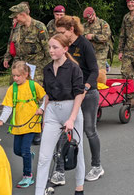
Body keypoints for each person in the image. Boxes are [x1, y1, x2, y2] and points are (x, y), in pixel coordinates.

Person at [35, 34, 85, 195]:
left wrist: (72, 118)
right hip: (52, 112)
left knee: (78, 150)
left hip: (71, 109)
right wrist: (44, 115)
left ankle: (79, 189)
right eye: (49, 47)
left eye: (55, 47)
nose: (51, 50)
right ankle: (39, 191)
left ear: (65, 49)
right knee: (44, 156)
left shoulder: (73, 68)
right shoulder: (47, 69)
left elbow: (79, 94)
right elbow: (47, 95)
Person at [54, 15, 102, 183]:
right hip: (70, 95)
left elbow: (95, 71)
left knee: (89, 130)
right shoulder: (62, 46)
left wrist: (86, 87)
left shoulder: (84, 45)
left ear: (71, 30)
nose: (59, 35)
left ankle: (97, 166)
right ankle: (59, 171)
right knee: (64, 131)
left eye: (62, 32)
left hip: (88, 93)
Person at [0, 61, 45, 188]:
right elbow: (7, 107)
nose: (15, 78)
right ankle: (29, 156)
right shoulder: (12, 89)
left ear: (26, 74)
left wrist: (42, 109)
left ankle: (28, 176)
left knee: (24, 150)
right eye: (14, 76)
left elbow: (46, 98)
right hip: (18, 125)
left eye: (18, 76)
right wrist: (1, 120)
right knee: (18, 150)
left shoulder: (33, 85)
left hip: (32, 124)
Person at [3, 3, 50, 85]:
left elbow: (47, 49)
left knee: (33, 90)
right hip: (19, 64)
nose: (16, 20)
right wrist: (7, 57)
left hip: (36, 66)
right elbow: (11, 42)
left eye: (16, 17)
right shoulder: (17, 28)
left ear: (23, 15)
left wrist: (49, 68)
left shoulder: (39, 27)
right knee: (15, 88)